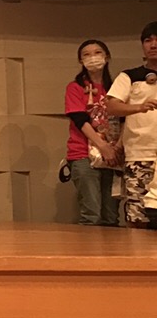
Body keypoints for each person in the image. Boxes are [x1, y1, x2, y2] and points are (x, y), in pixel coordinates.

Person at [63, 39, 121, 226]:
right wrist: (102, 146)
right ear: (81, 61)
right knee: (91, 214)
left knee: (111, 216)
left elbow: (125, 120)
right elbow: (80, 120)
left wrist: (116, 149)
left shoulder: (116, 88)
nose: (93, 58)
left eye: (97, 53)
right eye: (86, 55)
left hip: (113, 156)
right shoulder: (75, 87)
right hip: (83, 154)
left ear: (107, 57)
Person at [106, 22, 157, 228]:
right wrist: (139, 107)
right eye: (148, 40)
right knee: (138, 217)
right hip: (140, 154)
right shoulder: (129, 76)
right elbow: (112, 106)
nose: (153, 45)